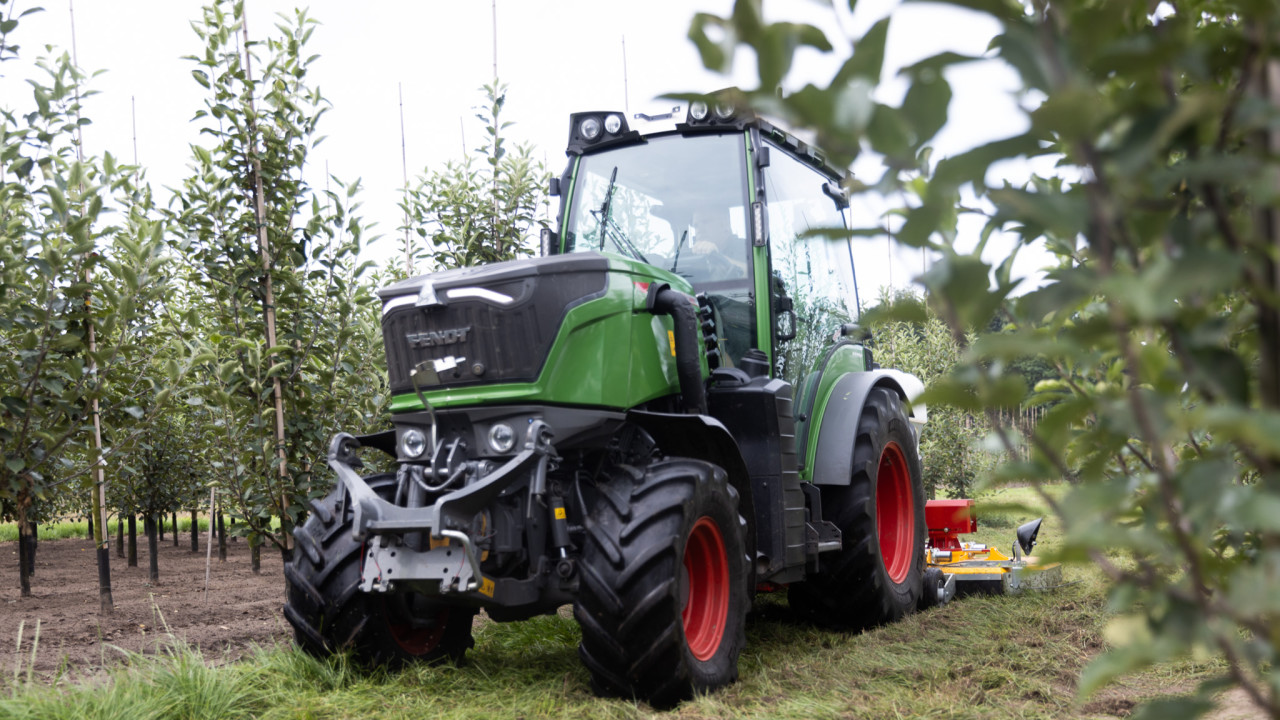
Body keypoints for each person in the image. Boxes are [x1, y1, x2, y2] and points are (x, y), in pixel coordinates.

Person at [689, 208, 748, 280]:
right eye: (696, 226)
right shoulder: (691, 257)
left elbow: (755, 275)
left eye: (705, 222)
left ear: (725, 224)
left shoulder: (746, 247)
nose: (699, 230)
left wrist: (718, 256)